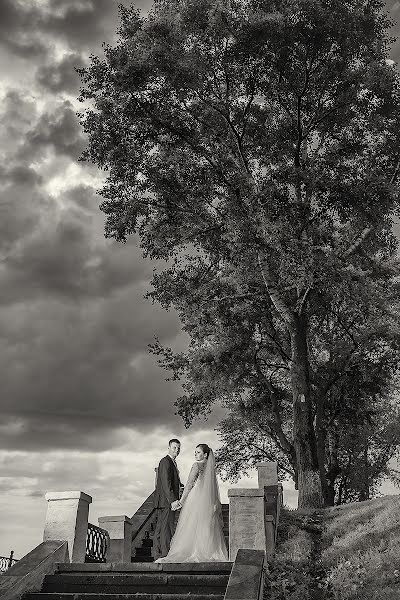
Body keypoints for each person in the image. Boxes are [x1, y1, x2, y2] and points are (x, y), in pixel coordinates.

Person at [155, 443, 228, 563]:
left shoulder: (196, 466)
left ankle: (193, 551)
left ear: (205, 455)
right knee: (204, 527)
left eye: (198, 452)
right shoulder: (210, 469)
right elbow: (213, 489)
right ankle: (206, 551)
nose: (195, 454)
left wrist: (181, 501)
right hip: (208, 502)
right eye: (195, 452)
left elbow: (189, 485)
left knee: (191, 525)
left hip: (195, 500)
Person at [153, 438, 182, 560]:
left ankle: (158, 555)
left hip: (165, 501)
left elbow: (172, 481)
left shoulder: (172, 462)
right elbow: (166, 482)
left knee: (161, 529)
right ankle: (164, 555)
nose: (177, 450)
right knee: (165, 529)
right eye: (174, 447)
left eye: (179, 448)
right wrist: (172, 500)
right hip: (166, 501)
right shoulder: (165, 461)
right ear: (169, 448)